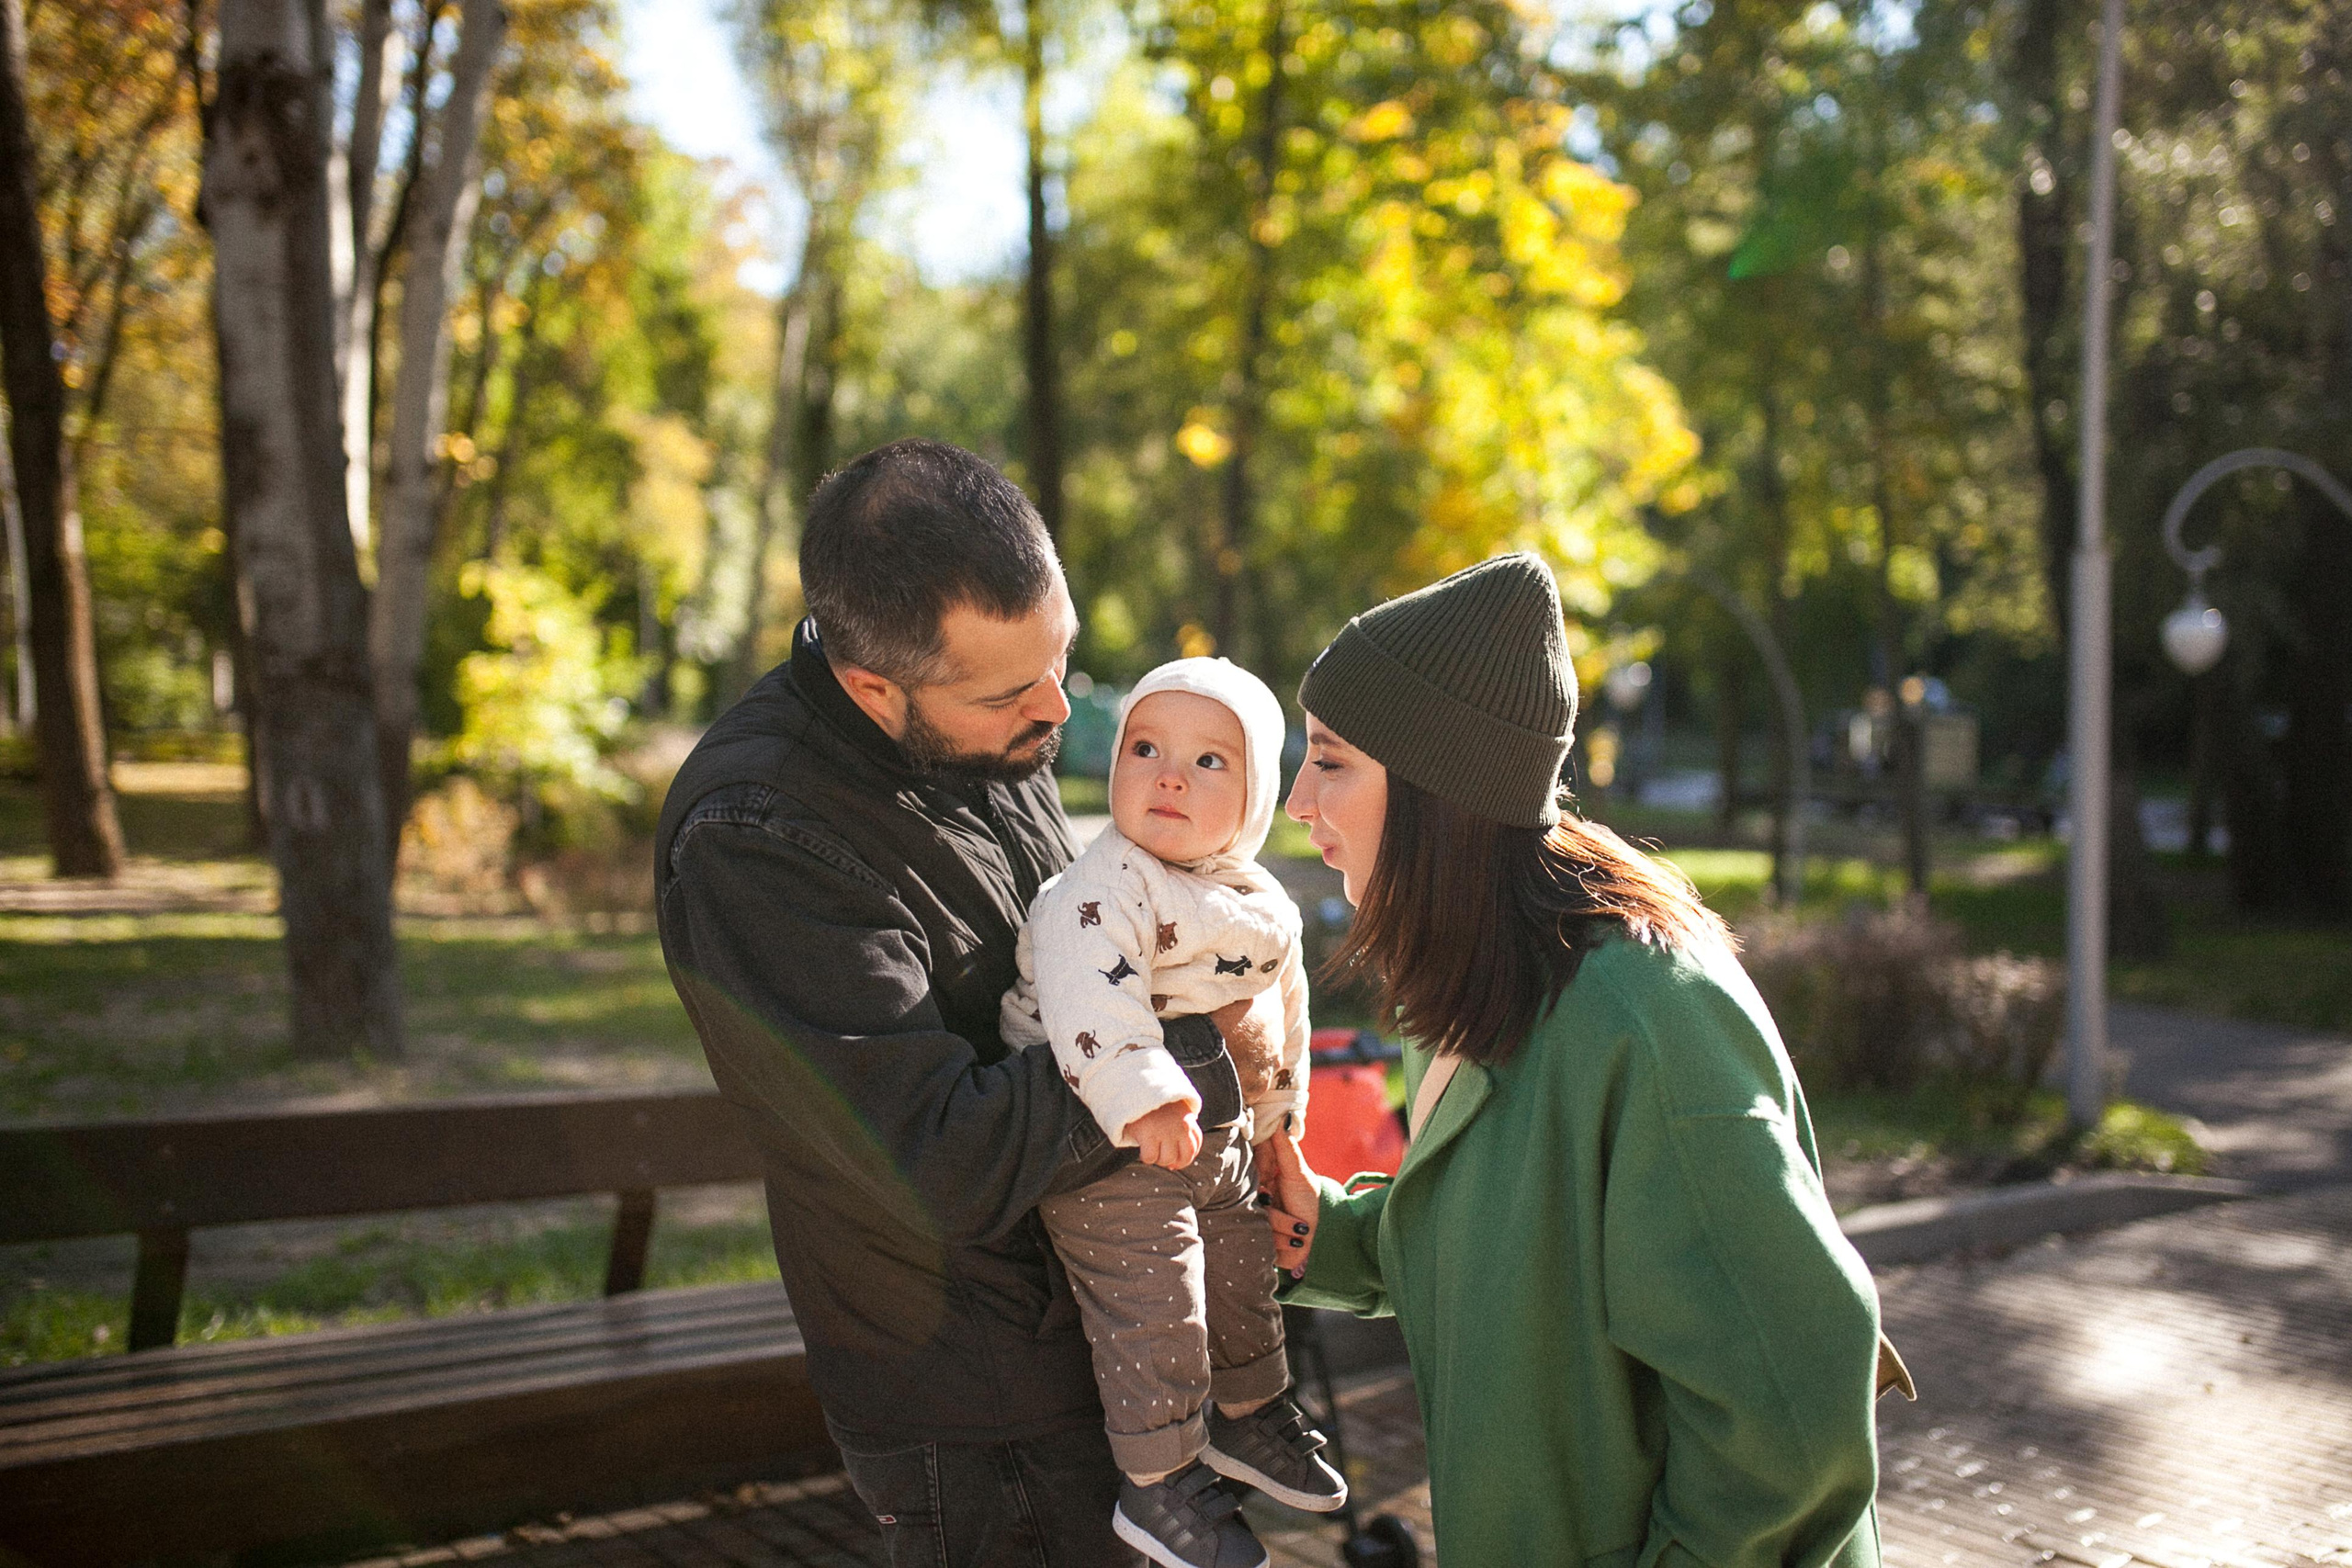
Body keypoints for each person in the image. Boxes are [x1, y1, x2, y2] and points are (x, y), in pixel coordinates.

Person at [655, 438, 1277, 1566]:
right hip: (984, 1403)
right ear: (870, 687)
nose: (1056, 708)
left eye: (1063, 657)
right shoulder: (757, 837)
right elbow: (927, 1157)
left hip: (1105, 1321)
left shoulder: (988, 723)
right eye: (1008, 692)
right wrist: (1188, 1050)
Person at [1260, 552, 1902, 1568]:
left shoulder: (1646, 1017)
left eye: (1331, 760)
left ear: (1439, 787)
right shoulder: (1484, 973)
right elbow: (1503, 1240)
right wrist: (1314, 1237)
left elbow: (1795, 1396)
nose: (1299, 798)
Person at [1001, 657, 1347, 1568]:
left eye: (1208, 763)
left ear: (1258, 795)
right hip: (1103, 1134)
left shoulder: (1258, 904)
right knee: (1159, 1295)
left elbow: (1281, 1020)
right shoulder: (1104, 885)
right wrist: (1140, 1093)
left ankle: (1250, 1411)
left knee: (1240, 1266)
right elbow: (1088, 1003)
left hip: (1214, 1133)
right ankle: (1157, 1484)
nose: (1167, 776)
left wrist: (1280, 1130)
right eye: (1145, 748)